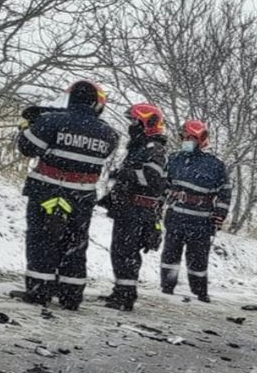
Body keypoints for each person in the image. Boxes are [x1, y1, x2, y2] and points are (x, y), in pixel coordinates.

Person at [13, 80, 119, 309]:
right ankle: (71, 294)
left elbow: (26, 148)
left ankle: (39, 291)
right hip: (82, 196)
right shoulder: (109, 133)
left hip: (47, 190)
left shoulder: (51, 121)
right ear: (96, 103)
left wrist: (27, 125)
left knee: (42, 241)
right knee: (75, 243)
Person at [100, 103, 169, 311]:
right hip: (129, 208)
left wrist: (125, 174)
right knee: (120, 251)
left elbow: (152, 178)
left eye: (134, 122)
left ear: (146, 123)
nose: (131, 126)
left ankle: (126, 296)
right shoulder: (140, 146)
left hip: (138, 210)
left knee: (127, 252)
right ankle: (121, 290)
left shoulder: (154, 148)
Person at [159, 120, 231, 302]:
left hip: (201, 221)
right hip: (175, 216)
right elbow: (163, 185)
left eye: (190, 138)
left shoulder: (215, 165)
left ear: (200, 139)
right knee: (170, 254)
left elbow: (225, 192)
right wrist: (158, 205)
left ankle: (200, 291)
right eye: (184, 137)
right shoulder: (174, 159)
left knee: (198, 259)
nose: (186, 141)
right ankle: (167, 286)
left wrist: (219, 215)